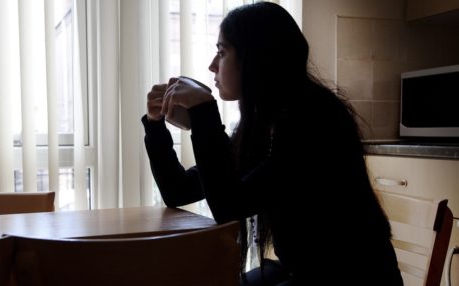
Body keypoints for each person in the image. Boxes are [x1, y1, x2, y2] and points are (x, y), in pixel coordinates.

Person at [141, 2, 403, 286]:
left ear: (255, 58)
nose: (212, 65)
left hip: (353, 276)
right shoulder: (263, 125)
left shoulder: (314, 120)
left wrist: (204, 116)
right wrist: (156, 126)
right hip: (304, 271)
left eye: (222, 52)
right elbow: (178, 190)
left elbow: (227, 205)